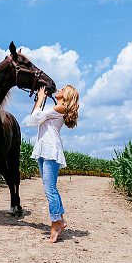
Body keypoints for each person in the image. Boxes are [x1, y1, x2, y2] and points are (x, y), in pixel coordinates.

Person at [23, 85, 79, 243]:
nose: (59, 89)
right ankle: (60, 219)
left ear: (66, 95)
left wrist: (40, 98)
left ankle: (56, 224)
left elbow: (34, 118)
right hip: (44, 148)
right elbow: (34, 117)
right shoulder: (55, 107)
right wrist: (40, 100)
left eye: (62, 89)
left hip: (50, 149)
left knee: (50, 189)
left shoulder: (61, 107)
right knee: (50, 188)